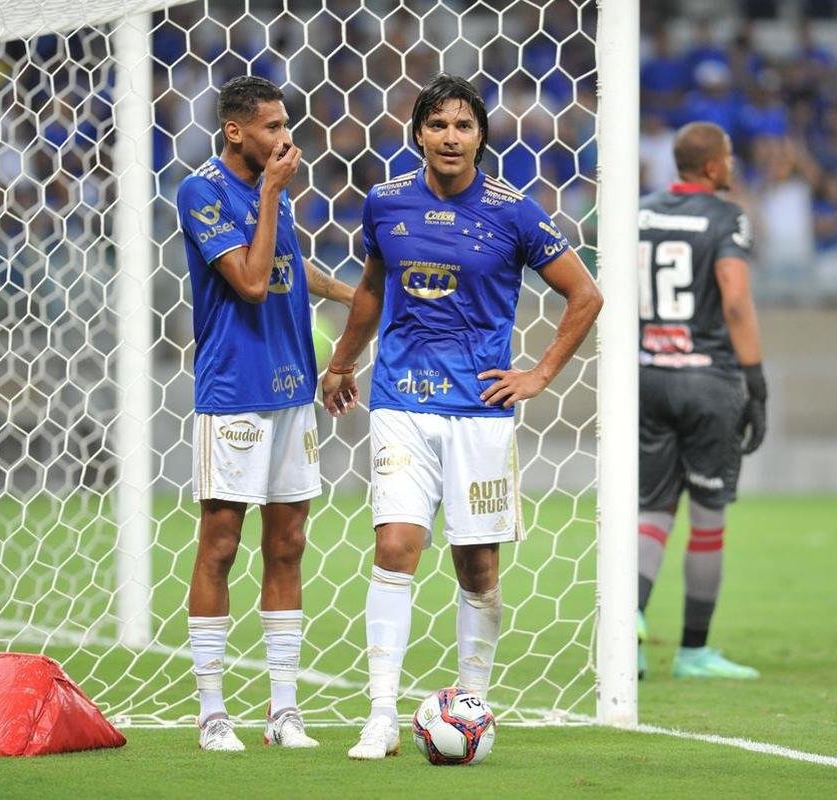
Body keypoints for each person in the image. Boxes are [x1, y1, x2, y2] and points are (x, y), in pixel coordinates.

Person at [320, 74, 602, 760]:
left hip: (480, 411)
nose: (450, 137)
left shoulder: (514, 212)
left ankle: (472, 704)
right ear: (417, 132)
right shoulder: (385, 202)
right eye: (438, 125)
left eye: (463, 126)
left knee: (477, 566)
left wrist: (538, 374)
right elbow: (370, 288)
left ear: (481, 136)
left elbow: (585, 296)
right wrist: (342, 362)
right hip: (401, 403)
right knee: (395, 547)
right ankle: (380, 715)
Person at [175, 75, 353, 751]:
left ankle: (284, 711)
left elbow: (284, 264)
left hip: (291, 391)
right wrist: (274, 193)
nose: (286, 138)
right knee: (219, 545)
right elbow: (249, 282)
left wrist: (350, 290)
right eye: (273, 127)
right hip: (234, 393)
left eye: (286, 125)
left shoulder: (267, 194)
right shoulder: (203, 192)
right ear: (236, 131)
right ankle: (212, 710)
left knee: (288, 545)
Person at [636, 121, 766, 681]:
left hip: (645, 378)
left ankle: (630, 635)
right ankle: (693, 652)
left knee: (651, 512)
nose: (732, 165)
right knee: (708, 517)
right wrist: (755, 382)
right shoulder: (726, 216)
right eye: (729, 156)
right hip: (708, 379)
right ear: (713, 166)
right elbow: (734, 300)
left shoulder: (638, 212)